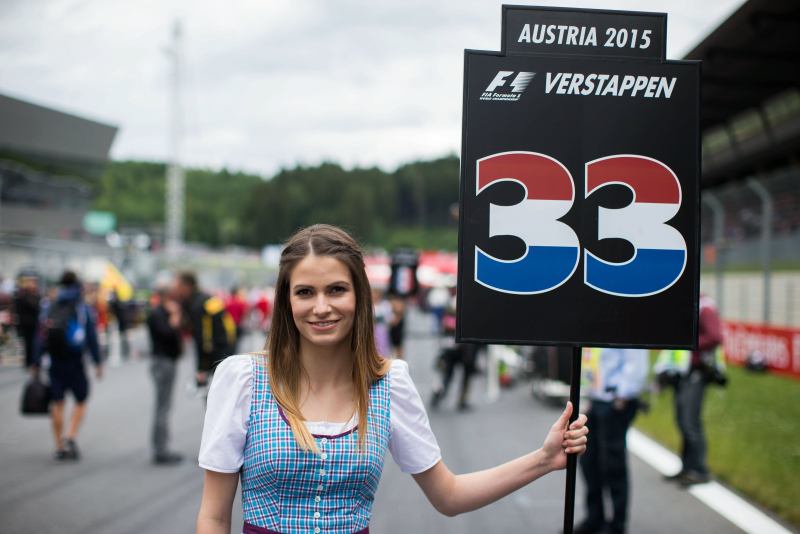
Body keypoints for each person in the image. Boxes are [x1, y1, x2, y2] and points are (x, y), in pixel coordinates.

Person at [195, 224, 589, 534]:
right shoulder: (244, 379)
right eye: (305, 292)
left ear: (360, 296)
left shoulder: (389, 385)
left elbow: (447, 495)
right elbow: (213, 519)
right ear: (287, 301)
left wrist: (543, 460)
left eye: (336, 290)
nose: (321, 307)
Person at [576, 347, 648, 534]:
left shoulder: (628, 321)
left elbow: (637, 363)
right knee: (588, 461)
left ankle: (617, 525)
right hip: (597, 398)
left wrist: (622, 396)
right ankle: (594, 519)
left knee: (613, 464)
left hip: (615, 401)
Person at [37, 271, 103, 461]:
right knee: (81, 400)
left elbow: (41, 336)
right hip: (75, 361)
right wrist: (98, 362)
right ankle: (70, 435)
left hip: (55, 360)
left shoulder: (49, 305)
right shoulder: (82, 307)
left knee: (57, 402)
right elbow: (91, 337)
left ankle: (58, 445)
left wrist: (35, 361)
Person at [662, 294, 724, 486]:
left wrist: (689, 342)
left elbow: (715, 337)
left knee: (690, 422)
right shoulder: (688, 307)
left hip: (697, 373)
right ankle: (687, 467)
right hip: (683, 373)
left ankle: (699, 469)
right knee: (682, 420)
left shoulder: (704, 307)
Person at [173, 271, 237, 388]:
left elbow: (204, 340)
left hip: (218, 355)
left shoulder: (198, 305)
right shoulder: (202, 298)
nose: (175, 289)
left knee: (215, 397)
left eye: (177, 286)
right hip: (224, 350)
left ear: (187, 286)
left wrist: (202, 368)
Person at [146, 287, 185, 465]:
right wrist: (175, 317)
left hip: (165, 361)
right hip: (163, 362)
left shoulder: (159, 313)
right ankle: (160, 449)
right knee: (163, 406)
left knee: (164, 405)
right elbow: (168, 333)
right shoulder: (157, 314)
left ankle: (162, 447)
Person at [431, 297, 481, 411]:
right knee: (449, 375)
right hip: (457, 349)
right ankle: (443, 395)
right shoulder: (456, 307)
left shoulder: (454, 306)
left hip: (461, 349)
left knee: (456, 375)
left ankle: (460, 399)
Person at [13, 273, 41, 369]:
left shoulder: (34, 295)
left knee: (33, 343)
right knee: (28, 343)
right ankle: (29, 362)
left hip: (33, 323)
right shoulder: (23, 296)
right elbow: (32, 306)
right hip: (26, 323)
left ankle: (32, 361)